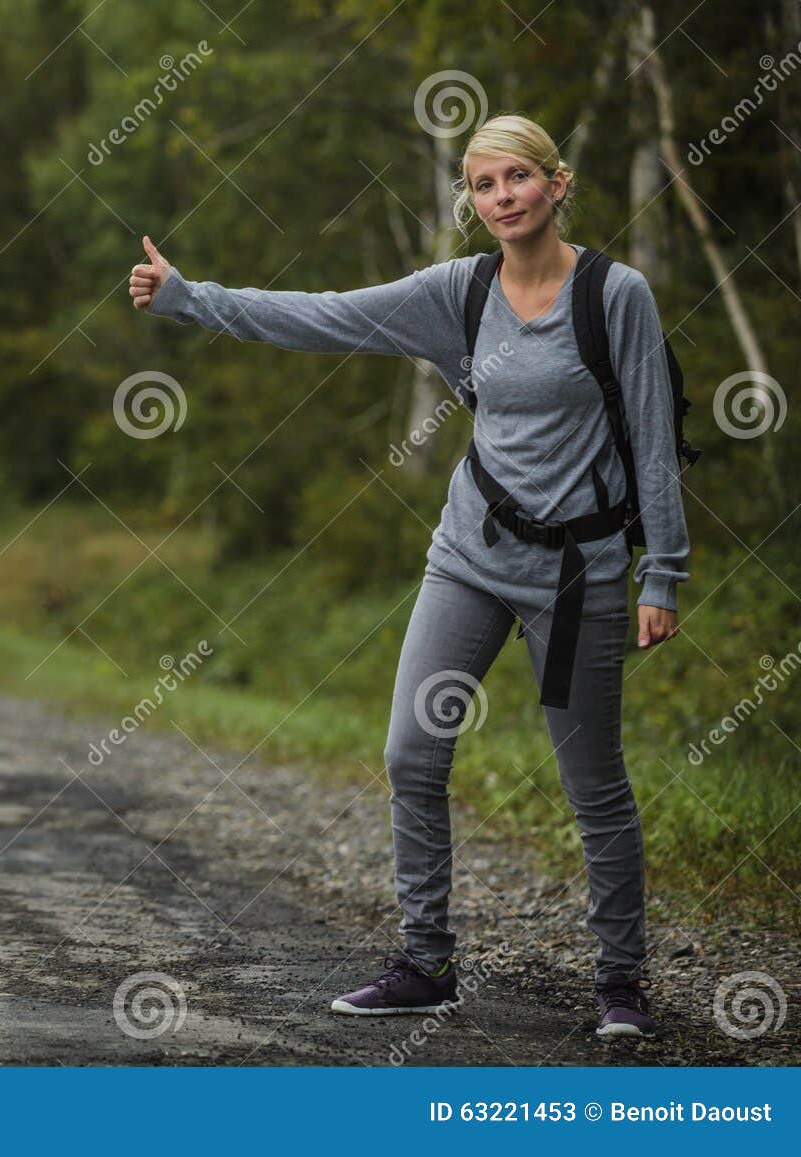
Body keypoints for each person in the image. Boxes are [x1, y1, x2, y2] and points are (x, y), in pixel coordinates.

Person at [130, 113, 689, 1040]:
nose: (502, 197)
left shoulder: (615, 294)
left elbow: (657, 436)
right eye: (483, 184)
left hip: (580, 572)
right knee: (411, 753)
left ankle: (621, 983)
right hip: (470, 553)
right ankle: (426, 963)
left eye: (517, 178)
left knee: (592, 780)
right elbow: (326, 314)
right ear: (471, 201)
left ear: (557, 183)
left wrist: (662, 573)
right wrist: (192, 297)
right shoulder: (457, 292)